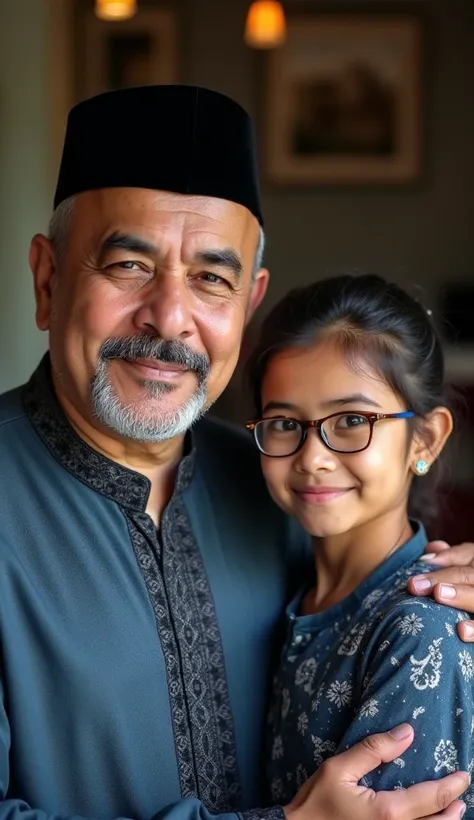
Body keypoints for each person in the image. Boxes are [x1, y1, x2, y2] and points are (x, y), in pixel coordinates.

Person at [0, 84, 473, 820]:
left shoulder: (282, 483)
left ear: (249, 303)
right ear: (47, 278)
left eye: (211, 280)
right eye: (128, 266)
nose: (170, 318)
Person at [244, 274, 474, 812]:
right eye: (283, 423)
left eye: (351, 420)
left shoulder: (422, 629)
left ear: (426, 438)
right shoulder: (291, 593)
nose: (312, 457)